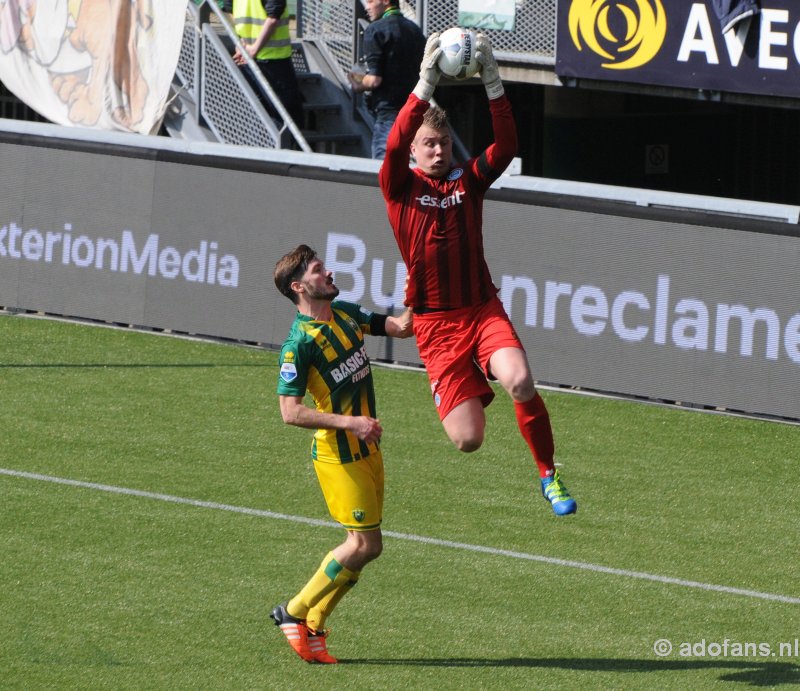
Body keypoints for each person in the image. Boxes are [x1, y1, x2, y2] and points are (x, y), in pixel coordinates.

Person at [378, 34, 577, 516]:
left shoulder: (469, 181)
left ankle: (548, 475)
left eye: (444, 142)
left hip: (481, 310)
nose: (439, 150)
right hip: (435, 327)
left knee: (522, 381)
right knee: (468, 440)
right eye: (429, 143)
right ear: (413, 150)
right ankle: (464, 376)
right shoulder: (397, 185)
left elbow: (507, 145)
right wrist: (425, 83)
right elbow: (393, 138)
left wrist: (493, 82)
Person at [271, 244, 413, 664]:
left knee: (368, 546)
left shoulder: (347, 314)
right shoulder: (299, 345)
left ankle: (312, 626)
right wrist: (352, 423)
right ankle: (293, 612)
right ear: (300, 287)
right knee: (364, 543)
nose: (328, 272)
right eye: (318, 269)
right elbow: (289, 412)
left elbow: (402, 328)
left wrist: (427, 294)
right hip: (340, 455)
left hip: (368, 448)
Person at [347, 0, 425, 159]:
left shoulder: (375, 30)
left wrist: (356, 84)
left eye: (370, 1)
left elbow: (375, 80)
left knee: (383, 167)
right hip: (414, 111)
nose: (367, 6)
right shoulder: (415, 30)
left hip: (388, 112)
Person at [232, 0, 304, 127]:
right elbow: (273, 18)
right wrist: (252, 49)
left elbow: (229, 9)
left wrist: (241, 43)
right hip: (273, 59)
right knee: (287, 113)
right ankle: (291, 145)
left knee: (263, 111)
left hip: (248, 56)